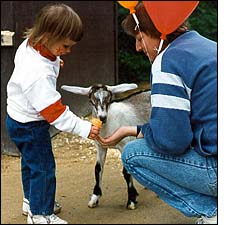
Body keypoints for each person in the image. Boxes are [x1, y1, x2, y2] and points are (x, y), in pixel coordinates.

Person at [97, 2, 217, 224]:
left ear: (156, 33)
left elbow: (173, 141)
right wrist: (133, 129)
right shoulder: (210, 46)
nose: (138, 48)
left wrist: (146, 134)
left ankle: (211, 212)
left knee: (132, 154)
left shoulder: (167, 62)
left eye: (139, 38)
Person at [5, 3, 100, 224]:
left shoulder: (31, 45)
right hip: (31, 125)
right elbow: (55, 114)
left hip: (17, 118)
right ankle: (41, 215)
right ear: (48, 36)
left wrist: (56, 60)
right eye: (65, 46)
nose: (67, 51)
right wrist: (85, 128)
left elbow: (44, 63)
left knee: (31, 162)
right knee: (44, 168)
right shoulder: (37, 73)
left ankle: (32, 201)